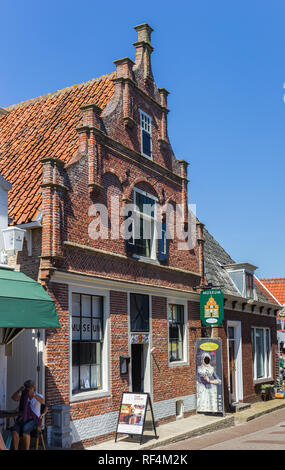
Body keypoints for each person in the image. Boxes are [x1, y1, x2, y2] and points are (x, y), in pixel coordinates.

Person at [11, 380, 44, 450]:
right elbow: (13, 398)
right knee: (15, 429)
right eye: (26, 388)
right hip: (24, 418)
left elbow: (42, 401)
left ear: (33, 388)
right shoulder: (24, 397)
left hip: (34, 420)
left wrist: (34, 395)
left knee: (25, 428)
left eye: (29, 388)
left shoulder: (38, 396)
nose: (27, 390)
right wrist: (19, 390)